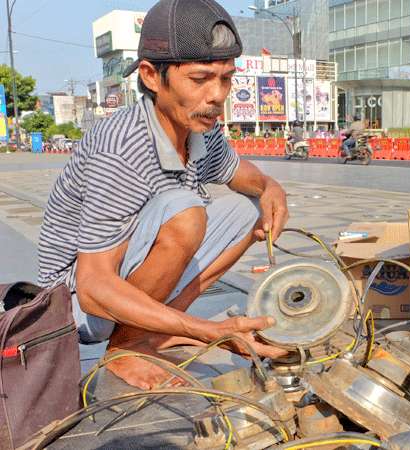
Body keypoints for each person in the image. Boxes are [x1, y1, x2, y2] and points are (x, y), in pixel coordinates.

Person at [37, 0, 289, 390]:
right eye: (200, 78)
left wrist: (273, 189)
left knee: (245, 210)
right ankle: (128, 346)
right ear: (152, 76)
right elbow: (93, 287)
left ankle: (152, 332)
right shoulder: (120, 148)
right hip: (73, 302)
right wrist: (208, 330)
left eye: (225, 78)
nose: (217, 95)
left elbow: (248, 178)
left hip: (122, 277)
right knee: (186, 213)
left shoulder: (200, 129)